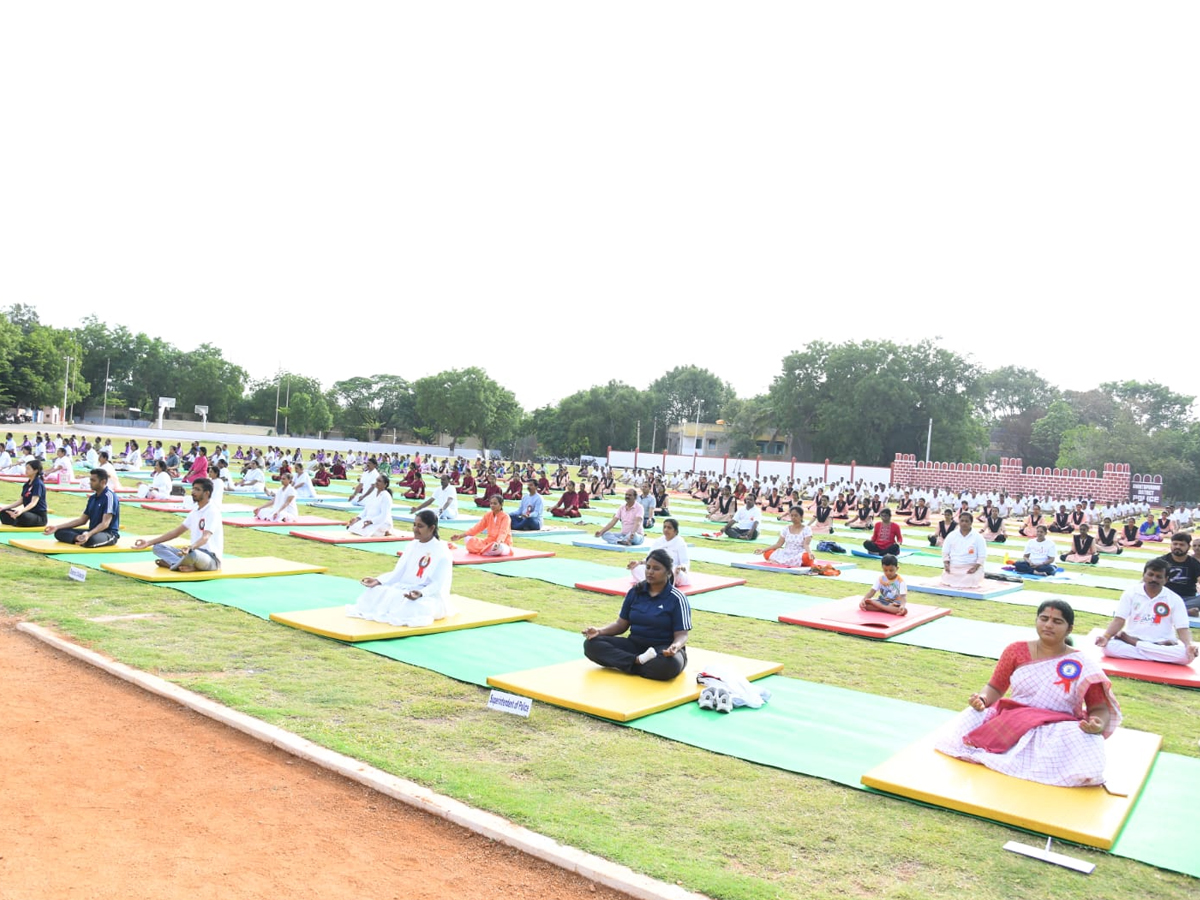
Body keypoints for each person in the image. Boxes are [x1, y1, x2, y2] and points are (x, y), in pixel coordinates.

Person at [935, 599, 1118, 787]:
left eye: (1057, 621)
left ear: (1069, 629)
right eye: (1044, 618)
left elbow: (1099, 708)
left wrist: (1098, 724)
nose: (1048, 625)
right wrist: (982, 699)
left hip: (1057, 727)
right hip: (1012, 718)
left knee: (1088, 743)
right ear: (1036, 620)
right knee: (973, 715)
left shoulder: (1081, 662)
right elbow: (995, 688)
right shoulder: (1016, 651)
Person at [582, 548, 691, 681]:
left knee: (669, 665)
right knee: (591, 645)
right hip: (635, 647)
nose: (650, 572)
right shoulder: (635, 592)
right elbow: (621, 624)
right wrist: (599, 631)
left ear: (668, 572)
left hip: (662, 650)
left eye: (656, 568)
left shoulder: (677, 598)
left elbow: (682, 634)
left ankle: (628, 664)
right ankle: (637, 662)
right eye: (648, 567)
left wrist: (675, 646)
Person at [348, 510, 454, 627]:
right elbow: (399, 572)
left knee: (410, 605)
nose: (415, 529)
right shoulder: (412, 545)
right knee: (375, 591)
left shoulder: (441, 551)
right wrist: (379, 580)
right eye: (414, 525)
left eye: (420, 526)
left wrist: (421, 593)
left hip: (428, 596)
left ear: (431, 528)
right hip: (405, 588)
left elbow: (438, 584)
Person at [1095, 559, 1197, 664]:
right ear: (1144, 575)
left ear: (1166, 579)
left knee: (1185, 655)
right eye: (1150, 574)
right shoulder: (1131, 593)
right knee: (1108, 647)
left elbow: (1182, 628)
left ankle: (1140, 648)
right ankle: (1155, 655)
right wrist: (1106, 636)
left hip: (1160, 643)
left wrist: (1188, 645)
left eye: (1158, 576)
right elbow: (1119, 620)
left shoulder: (1174, 599)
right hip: (1133, 641)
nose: (1154, 579)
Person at [132, 478, 224, 572]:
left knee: (193, 554)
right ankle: (180, 565)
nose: (193, 492)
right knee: (158, 547)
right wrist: (149, 542)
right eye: (193, 489)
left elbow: (205, 537)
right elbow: (176, 532)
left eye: (197, 489)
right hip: (191, 553)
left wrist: (190, 547)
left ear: (207, 493)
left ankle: (177, 564)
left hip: (210, 558)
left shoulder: (212, 511)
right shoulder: (195, 511)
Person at [46, 469, 120, 548]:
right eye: (90, 480)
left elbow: (105, 524)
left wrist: (89, 534)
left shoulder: (110, 497)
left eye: (93, 480)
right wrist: (57, 527)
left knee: (91, 540)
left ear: (103, 482)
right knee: (59, 532)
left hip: (108, 533)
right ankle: (78, 538)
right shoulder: (92, 498)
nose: (90, 482)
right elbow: (82, 520)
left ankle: (83, 539)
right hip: (92, 531)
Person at [628, 518, 691, 586]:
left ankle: (661, 584)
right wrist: (638, 563)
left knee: (676, 573)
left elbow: (685, 562)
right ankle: (652, 583)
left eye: (669, 528)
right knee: (636, 568)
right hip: (656, 569)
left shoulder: (680, 543)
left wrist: (681, 567)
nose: (666, 530)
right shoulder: (658, 541)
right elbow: (649, 559)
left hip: (672, 569)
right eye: (664, 527)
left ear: (675, 531)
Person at [940, 511, 988, 589]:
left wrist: (975, 567)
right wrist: (946, 564)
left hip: (971, 567)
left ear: (971, 522)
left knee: (970, 579)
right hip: (954, 567)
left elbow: (982, 555)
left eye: (966, 521)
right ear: (958, 522)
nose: (964, 523)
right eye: (962, 521)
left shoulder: (978, 537)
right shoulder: (952, 535)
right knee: (948, 577)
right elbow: (945, 551)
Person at [1156, 532, 1200, 615]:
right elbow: (1147, 581)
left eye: (1181, 545)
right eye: (1175, 544)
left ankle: (1172, 610)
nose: (1177, 547)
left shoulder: (1194, 563)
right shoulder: (1161, 561)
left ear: (1188, 547)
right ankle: (1184, 611)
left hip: (1187, 599)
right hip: (1165, 597)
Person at [0, 460, 47, 528]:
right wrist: (5, 508)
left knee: (23, 516)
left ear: (35, 470)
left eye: (28, 469)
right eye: (26, 468)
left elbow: (33, 503)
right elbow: (21, 501)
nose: (26, 471)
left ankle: (16, 519)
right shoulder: (26, 484)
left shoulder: (38, 484)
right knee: (3, 512)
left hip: (38, 516)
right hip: (27, 512)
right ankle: (16, 519)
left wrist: (21, 511)